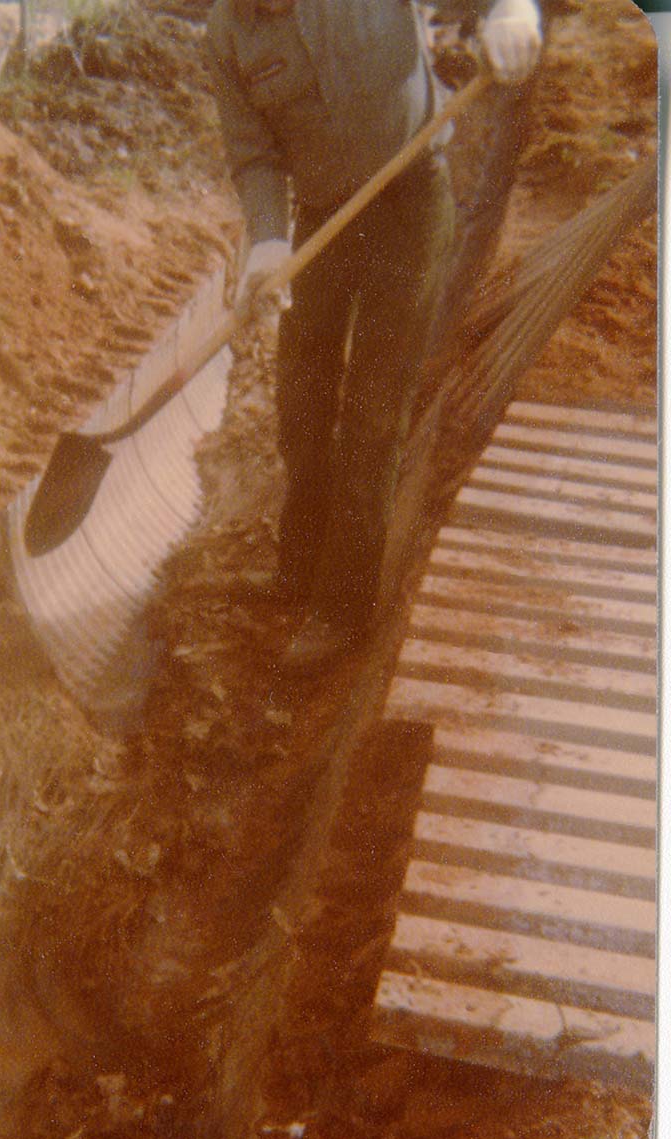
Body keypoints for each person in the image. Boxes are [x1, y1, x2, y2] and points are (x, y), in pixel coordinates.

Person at [205, 0, 543, 671]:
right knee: (302, 397)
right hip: (326, 219)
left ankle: (344, 609)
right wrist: (269, 240)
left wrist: (510, 9)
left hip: (412, 207)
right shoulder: (226, 33)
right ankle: (298, 570)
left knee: (374, 414)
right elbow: (254, 155)